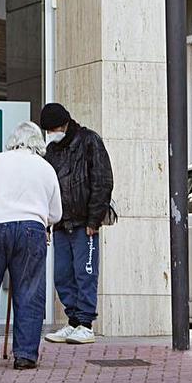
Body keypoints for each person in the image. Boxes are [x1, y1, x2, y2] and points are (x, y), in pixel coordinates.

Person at [0, 121, 62, 369]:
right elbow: (56, 213)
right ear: (37, 142)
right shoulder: (45, 168)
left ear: (13, 140)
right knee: (30, 291)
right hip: (32, 229)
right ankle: (25, 355)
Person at [39, 103, 114, 346]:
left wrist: (94, 219)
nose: (51, 134)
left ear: (65, 124)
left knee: (86, 273)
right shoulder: (52, 150)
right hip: (62, 223)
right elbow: (48, 187)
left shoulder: (89, 141)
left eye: (53, 129)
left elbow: (102, 180)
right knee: (62, 275)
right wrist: (48, 222)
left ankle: (85, 323)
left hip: (84, 223)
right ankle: (73, 321)